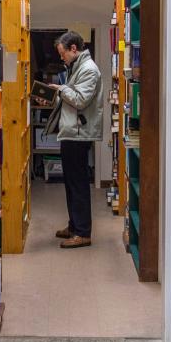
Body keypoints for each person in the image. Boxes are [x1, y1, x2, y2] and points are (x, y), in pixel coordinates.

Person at [40, 31, 102, 248]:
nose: (61, 58)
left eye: (63, 53)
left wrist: (61, 89)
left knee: (79, 184)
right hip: (72, 131)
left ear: (73, 49)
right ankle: (74, 225)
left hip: (78, 133)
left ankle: (83, 232)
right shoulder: (77, 67)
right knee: (71, 182)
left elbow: (80, 100)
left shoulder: (89, 70)